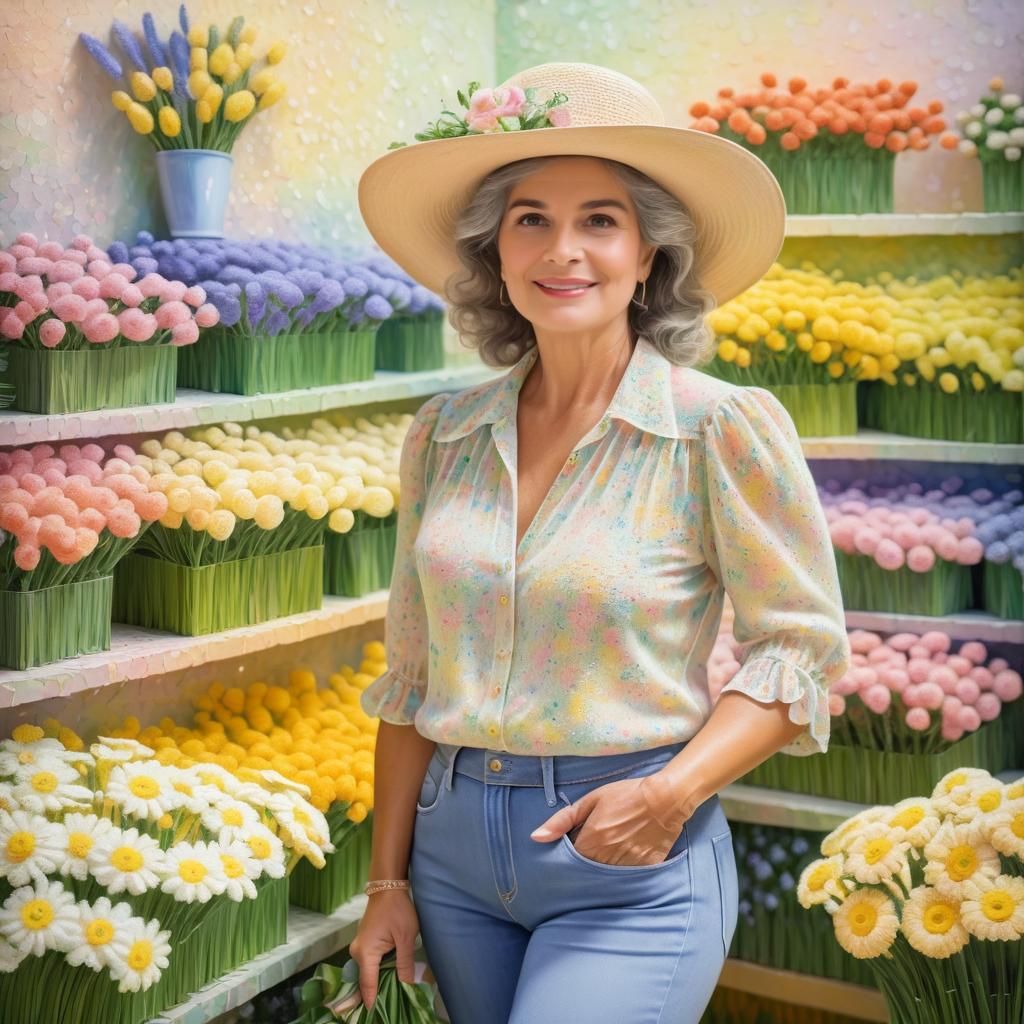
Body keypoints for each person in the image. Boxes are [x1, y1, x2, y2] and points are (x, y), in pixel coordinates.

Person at [349, 61, 851, 1023]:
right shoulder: (444, 434)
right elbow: (412, 673)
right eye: (530, 218)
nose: (562, 250)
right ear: (495, 252)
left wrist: (666, 798)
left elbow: (800, 654)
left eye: (600, 221)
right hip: (449, 859)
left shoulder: (718, 428)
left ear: (650, 256)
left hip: (627, 852)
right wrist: (387, 885)